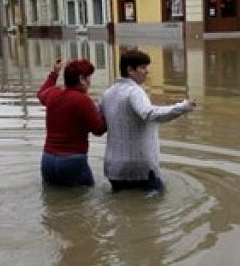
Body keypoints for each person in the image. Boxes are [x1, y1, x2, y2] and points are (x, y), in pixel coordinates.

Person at [100, 49, 195, 192]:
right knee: (156, 204)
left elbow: (99, 123)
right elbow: (149, 113)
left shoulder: (107, 93)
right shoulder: (134, 91)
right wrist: (182, 107)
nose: (146, 72)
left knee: (122, 209)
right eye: (143, 68)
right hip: (139, 168)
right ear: (130, 70)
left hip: (114, 168)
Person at [37, 58, 106, 187]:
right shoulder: (83, 101)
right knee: (83, 200)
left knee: (54, 204)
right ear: (81, 79)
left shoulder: (52, 94)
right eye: (88, 78)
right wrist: (108, 113)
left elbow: (41, 93)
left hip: (48, 161)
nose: (90, 82)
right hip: (72, 162)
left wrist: (54, 74)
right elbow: (98, 129)